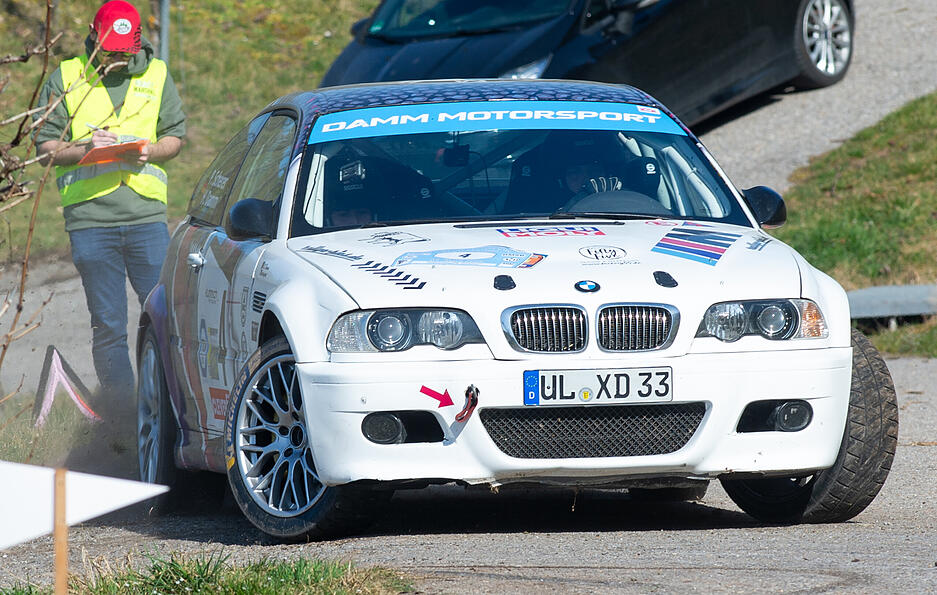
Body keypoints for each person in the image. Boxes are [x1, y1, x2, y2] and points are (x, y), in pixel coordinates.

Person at [34, 0, 186, 413]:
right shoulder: (66, 76)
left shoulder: (157, 74)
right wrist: (85, 148)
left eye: (125, 51)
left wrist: (150, 150)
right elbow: (45, 148)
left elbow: (174, 136)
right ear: (92, 35)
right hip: (90, 222)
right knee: (109, 326)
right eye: (110, 50)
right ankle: (125, 415)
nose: (118, 58)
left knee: (163, 318)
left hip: (146, 220)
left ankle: (170, 407)